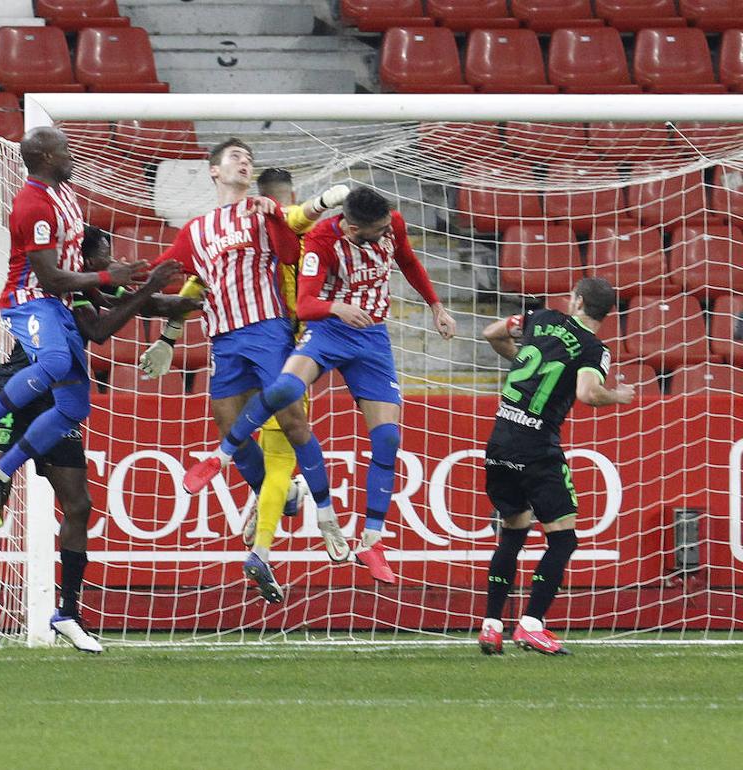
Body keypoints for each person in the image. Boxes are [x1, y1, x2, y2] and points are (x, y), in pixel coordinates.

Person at [0, 227, 198, 652]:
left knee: (78, 504)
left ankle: (69, 612)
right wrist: (150, 289)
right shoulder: (64, 293)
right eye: (104, 258)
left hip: (57, 399)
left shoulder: (88, 289)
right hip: (18, 390)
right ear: (85, 260)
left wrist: (199, 301)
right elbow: (100, 330)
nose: (110, 264)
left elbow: (143, 303)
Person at [183, 186, 456, 585]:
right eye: (376, 231)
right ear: (351, 227)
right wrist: (338, 307)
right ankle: (220, 458)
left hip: (372, 338)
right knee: (285, 389)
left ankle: (371, 541)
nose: (385, 235)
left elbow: (409, 261)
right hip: (329, 331)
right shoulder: (321, 240)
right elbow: (306, 304)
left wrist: (436, 306)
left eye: (386, 228)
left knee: (387, 439)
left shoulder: (391, 224)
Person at [140, 166, 350, 602]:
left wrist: (167, 337)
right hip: (264, 345)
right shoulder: (271, 233)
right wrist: (166, 338)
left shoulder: (282, 232)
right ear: (288, 195)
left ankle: (266, 546)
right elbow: (199, 281)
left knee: (266, 446)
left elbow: (195, 284)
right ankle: (277, 521)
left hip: (281, 345)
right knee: (256, 447)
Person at [0, 127, 146, 527]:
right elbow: (51, 278)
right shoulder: (32, 205)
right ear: (45, 158)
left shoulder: (66, 194)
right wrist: (109, 281)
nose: (71, 155)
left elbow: (76, 267)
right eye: (65, 150)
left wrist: (122, 283)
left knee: (73, 408)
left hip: (57, 304)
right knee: (56, 361)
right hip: (30, 301)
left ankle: (0, 471)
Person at [477, 278, 633, 656]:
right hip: (536, 447)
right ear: (608, 314)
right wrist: (617, 396)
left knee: (513, 531)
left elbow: (492, 332)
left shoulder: (540, 318)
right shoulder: (595, 348)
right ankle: (531, 624)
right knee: (563, 537)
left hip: (499, 438)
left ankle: (491, 625)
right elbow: (587, 393)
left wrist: (522, 358)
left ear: (577, 301)